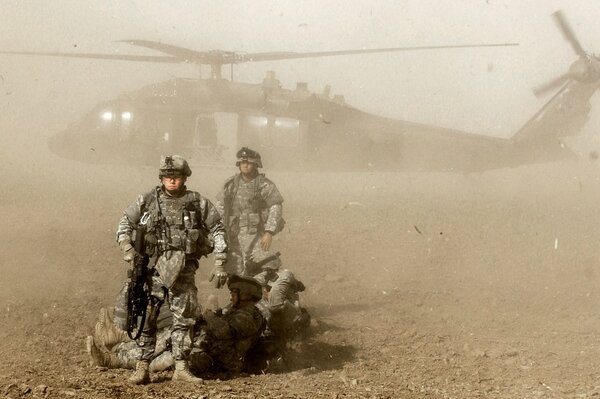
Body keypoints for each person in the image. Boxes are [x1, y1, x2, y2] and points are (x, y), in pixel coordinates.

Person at [115, 155, 228, 384]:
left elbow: (218, 229)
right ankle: (142, 367)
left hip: (184, 270)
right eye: (168, 177)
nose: (172, 181)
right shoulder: (147, 200)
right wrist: (129, 252)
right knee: (146, 318)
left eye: (176, 177)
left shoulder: (197, 202)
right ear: (162, 178)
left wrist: (220, 262)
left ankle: (181, 368)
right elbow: (124, 224)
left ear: (184, 177)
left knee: (184, 319)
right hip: (153, 270)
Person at [86, 275, 265, 377]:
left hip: (218, 360)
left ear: (247, 295)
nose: (232, 295)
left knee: (169, 358)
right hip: (205, 348)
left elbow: (226, 332)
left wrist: (209, 316)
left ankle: (113, 360)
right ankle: (120, 347)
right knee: (171, 337)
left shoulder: (250, 316)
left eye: (235, 292)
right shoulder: (235, 310)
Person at [215, 147, 285, 277]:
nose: (245, 165)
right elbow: (220, 208)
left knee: (265, 269)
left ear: (256, 164)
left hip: (257, 236)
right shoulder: (230, 185)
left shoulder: (265, 185)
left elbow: (276, 207)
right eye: (242, 162)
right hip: (234, 236)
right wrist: (219, 233)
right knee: (235, 274)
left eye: (249, 163)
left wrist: (269, 232)